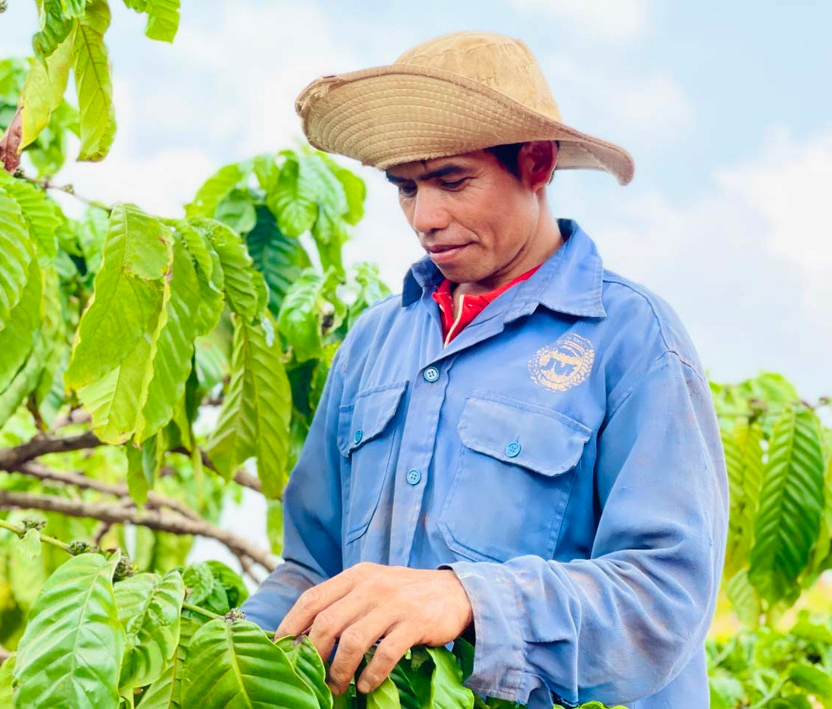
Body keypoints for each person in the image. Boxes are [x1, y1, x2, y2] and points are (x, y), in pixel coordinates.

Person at [240, 30, 728, 708]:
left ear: (535, 163)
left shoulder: (632, 338)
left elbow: (666, 597)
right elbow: (312, 569)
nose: (425, 217)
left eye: (451, 181)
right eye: (406, 188)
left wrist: (465, 595)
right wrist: (221, 653)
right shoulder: (374, 341)